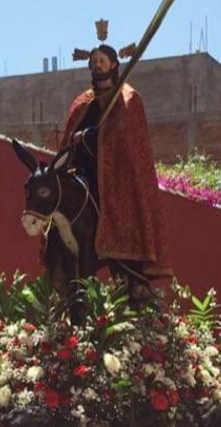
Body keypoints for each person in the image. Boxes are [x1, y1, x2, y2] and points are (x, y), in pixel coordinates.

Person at [59, 39, 172, 293]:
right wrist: (80, 138)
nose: (98, 66)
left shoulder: (128, 98)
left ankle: (132, 281)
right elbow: (69, 139)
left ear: (113, 65)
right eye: (94, 62)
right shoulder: (82, 102)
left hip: (117, 180)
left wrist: (98, 135)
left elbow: (126, 139)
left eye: (102, 61)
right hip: (84, 172)